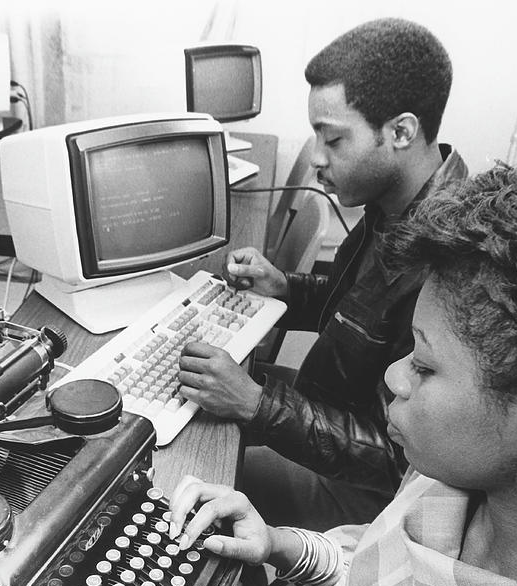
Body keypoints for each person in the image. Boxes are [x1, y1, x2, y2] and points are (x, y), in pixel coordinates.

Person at [87, 142, 517, 586]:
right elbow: (400, 570)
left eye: (424, 365)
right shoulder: (462, 464)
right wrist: (283, 546)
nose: (394, 377)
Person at [178, 18, 468, 535]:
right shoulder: (394, 204)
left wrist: (256, 405)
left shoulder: (447, 269)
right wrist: (287, 288)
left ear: (401, 132)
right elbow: (360, 312)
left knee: (186, 476)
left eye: (332, 139)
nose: (316, 158)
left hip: (368, 490)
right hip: (334, 401)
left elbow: (395, 456)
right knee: (190, 406)